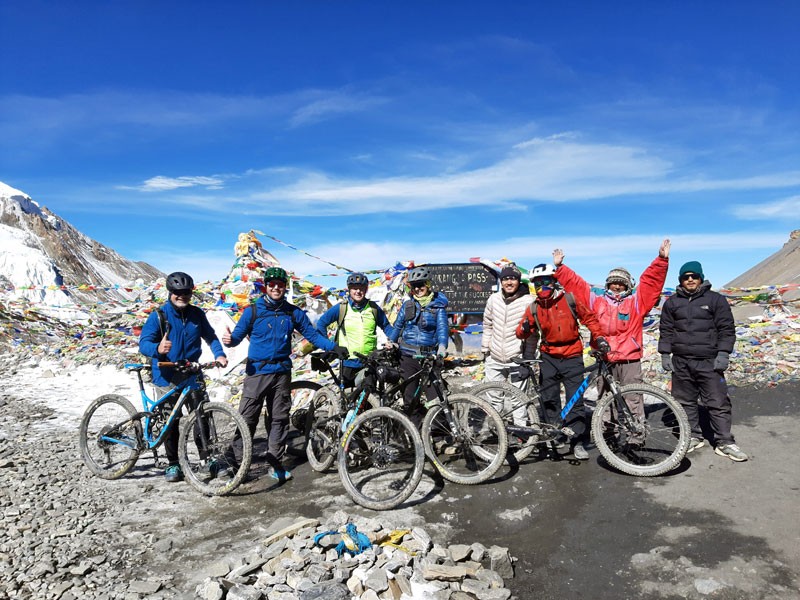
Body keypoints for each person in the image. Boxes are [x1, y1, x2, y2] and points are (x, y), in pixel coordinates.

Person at [222, 266, 348, 481]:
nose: (276, 288)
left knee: (279, 418)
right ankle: (237, 464)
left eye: (280, 285)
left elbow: (311, 334)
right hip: (257, 371)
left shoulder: (293, 312)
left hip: (281, 371)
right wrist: (229, 340)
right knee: (247, 418)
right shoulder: (252, 311)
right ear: (265, 286)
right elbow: (237, 336)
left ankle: (275, 462)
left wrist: (332, 347)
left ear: (284, 287)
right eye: (272, 285)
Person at [552, 240, 670, 429]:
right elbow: (577, 285)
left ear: (627, 286)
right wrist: (560, 267)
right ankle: (607, 435)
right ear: (608, 283)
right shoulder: (595, 300)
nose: (616, 286)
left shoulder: (636, 302)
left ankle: (635, 436)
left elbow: (651, 283)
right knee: (604, 398)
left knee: (632, 399)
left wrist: (661, 261)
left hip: (629, 359)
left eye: (621, 283)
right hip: (604, 357)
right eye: (613, 282)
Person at [138, 271, 229, 483]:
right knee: (171, 420)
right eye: (178, 292)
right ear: (170, 292)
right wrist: (158, 348)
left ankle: (208, 459)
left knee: (202, 415)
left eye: (186, 292)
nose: (182, 296)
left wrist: (220, 354)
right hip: (166, 374)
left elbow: (210, 337)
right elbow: (144, 343)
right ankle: (173, 464)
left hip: (192, 371)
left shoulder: (197, 314)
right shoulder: (159, 315)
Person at [516, 264, 608, 460]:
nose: (542, 287)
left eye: (546, 282)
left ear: (554, 281)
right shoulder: (534, 307)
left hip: (572, 355)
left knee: (575, 401)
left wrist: (599, 337)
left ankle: (577, 441)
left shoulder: (570, 299)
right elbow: (521, 333)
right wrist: (523, 328)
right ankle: (555, 435)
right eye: (538, 284)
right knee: (549, 399)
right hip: (548, 357)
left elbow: (590, 319)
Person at [658, 261, 748, 462]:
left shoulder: (715, 300)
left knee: (718, 402)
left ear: (701, 277)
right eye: (685, 276)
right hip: (681, 361)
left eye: (694, 276)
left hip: (709, 361)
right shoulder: (672, 303)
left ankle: (724, 442)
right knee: (684, 402)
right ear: (680, 279)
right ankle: (693, 437)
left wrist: (723, 353)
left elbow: (726, 329)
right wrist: (665, 354)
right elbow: (666, 330)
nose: (690, 279)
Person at [315, 272, 395, 388]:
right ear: (349, 290)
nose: (358, 291)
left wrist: (393, 341)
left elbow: (387, 327)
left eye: (361, 288)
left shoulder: (373, 308)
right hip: (347, 361)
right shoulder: (341, 308)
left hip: (369, 361)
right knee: (346, 400)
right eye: (354, 288)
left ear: (366, 289)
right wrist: (328, 345)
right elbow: (321, 323)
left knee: (368, 398)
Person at [387, 266, 449, 413]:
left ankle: (438, 432)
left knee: (435, 397)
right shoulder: (407, 305)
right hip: (407, 356)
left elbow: (442, 329)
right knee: (410, 397)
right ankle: (414, 430)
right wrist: (391, 342)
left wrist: (442, 347)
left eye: (421, 285)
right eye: (414, 286)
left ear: (427, 285)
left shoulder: (438, 306)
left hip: (428, 356)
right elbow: (398, 326)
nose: (418, 289)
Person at [480, 264, 537, 421]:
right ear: (501, 281)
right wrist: (485, 350)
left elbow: (532, 334)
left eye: (512, 278)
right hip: (494, 357)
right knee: (494, 399)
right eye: (505, 279)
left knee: (518, 400)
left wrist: (527, 358)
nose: (509, 282)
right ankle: (499, 432)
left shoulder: (529, 301)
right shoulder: (493, 299)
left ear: (519, 281)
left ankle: (521, 433)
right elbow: (488, 325)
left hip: (517, 358)